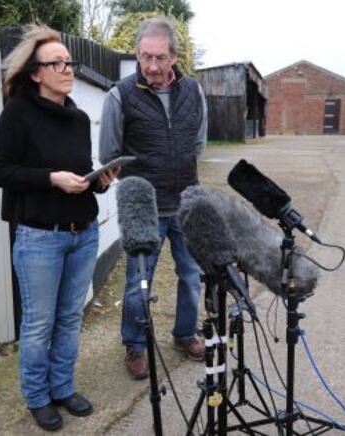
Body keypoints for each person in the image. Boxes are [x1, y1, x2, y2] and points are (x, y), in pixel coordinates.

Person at [0, 25, 117, 431]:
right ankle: (38, 397)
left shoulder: (77, 117)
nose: (67, 68)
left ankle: (62, 387)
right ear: (35, 73)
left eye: (69, 62)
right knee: (39, 323)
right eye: (56, 63)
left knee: (68, 318)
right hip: (40, 236)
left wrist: (98, 178)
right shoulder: (18, 113)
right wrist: (50, 178)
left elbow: (79, 169)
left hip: (84, 231)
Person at [99, 17, 208, 380]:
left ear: (174, 57)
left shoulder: (194, 91)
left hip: (186, 202)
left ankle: (184, 334)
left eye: (160, 58)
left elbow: (198, 145)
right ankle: (135, 345)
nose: (153, 66)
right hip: (145, 207)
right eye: (146, 57)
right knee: (137, 282)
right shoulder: (120, 94)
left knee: (191, 274)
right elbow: (110, 152)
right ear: (137, 55)